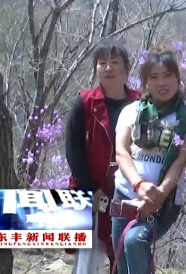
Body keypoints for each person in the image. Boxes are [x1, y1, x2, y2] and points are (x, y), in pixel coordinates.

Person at [110, 45, 186, 274]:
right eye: (154, 77)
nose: (162, 82)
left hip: (166, 200)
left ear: (178, 79)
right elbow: (121, 152)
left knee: (135, 240)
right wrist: (139, 185)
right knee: (123, 263)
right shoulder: (131, 111)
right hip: (125, 195)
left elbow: (181, 161)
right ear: (145, 83)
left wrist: (159, 195)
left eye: (168, 75)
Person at [65, 40, 141, 267]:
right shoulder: (85, 102)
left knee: (123, 255)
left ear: (127, 68)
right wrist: (91, 189)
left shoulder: (141, 104)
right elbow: (73, 149)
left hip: (127, 192)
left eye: (115, 62)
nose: (108, 68)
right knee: (84, 262)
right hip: (88, 189)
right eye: (102, 63)